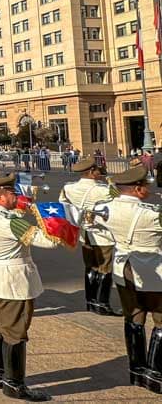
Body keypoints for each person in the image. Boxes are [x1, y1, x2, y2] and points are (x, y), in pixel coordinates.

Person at [0, 173, 58, 401]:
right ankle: (15, 383)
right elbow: (48, 241)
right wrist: (56, 220)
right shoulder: (9, 221)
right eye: (12, 193)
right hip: (11, 282)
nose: (16, 196)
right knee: (16, 333)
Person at [89, 165, 162, 393]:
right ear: (138, 189)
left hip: (123, 266)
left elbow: (88, 223)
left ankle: (136, 370)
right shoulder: (152, 213)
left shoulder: (103, 209)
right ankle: (156, 372)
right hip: (152, 270)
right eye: (146, 187)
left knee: (134, 318)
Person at [60, 157, 121, 316]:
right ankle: (102, 304)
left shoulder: (69, 188)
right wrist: (108, 181)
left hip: (84, 233)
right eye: (97, 170)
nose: (100, 172)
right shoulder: (101, 190)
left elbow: (63, 204)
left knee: (90, 266)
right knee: (105, 267)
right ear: (91, 172)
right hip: (101, 234)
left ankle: (90, 300)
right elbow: (118, 198)